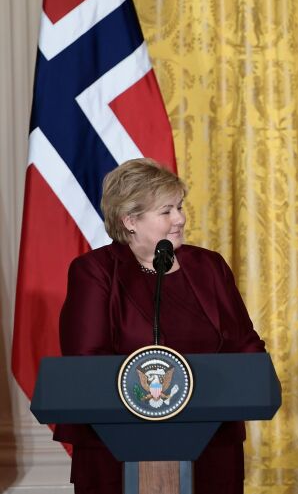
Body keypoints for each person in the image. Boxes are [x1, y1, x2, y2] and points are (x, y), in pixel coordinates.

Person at [55, 158, 266, 494]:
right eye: (166, 211)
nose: (179, 219)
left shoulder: (208, 266)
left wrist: (257, 378)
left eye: (179, 207)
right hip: (118, 447)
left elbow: (245, 343)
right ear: (130, 220)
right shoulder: (95, 271)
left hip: (211, 444)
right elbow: (86, 360)